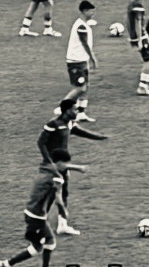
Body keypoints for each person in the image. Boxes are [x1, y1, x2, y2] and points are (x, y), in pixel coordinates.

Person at [0, 149, 87, 267]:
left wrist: (78, 168)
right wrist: (64, 212)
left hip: (30, 212)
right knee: (50, 242)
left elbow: (58, 165)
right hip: (37, 216)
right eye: (66, 164)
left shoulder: (45, 168)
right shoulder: (57, 179)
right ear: (59, 163)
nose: (67, 167)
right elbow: (58, 200)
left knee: (38, 247)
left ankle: (7, 264)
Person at [37, 98, 106, 236]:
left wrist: (101, 137)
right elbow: (41, 142)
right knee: (50, 196)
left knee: (64, 193)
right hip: (53, 164)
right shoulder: (53, 124)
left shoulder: (69, 124)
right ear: (67, 111)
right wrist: (48, 161)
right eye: (75, 109)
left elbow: (83, 133)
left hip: (63, 164)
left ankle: (62, 225)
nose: (77, 111)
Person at [64, 0, 98, 122]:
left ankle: (81, 113)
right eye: (91, 11)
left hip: (82, 60)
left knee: (85, 86)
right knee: (80, 88)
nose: (93, 13)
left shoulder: (83, 24)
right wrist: (93, 58)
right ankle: (63, 107)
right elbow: (85, 44)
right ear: (84, 11)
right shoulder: (81, 27)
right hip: (76, 61)